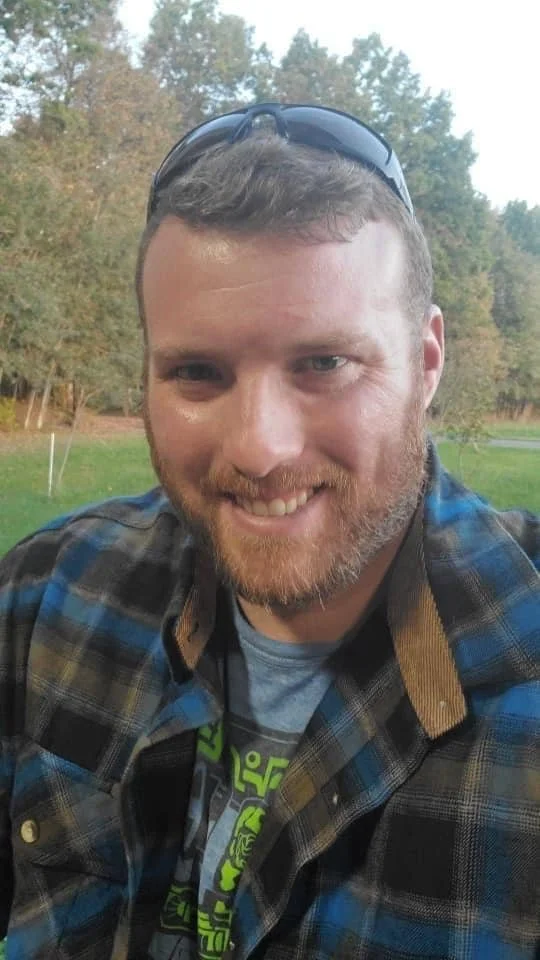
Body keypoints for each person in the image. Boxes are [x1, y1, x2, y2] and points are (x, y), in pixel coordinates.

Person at [0, 103, 538, 960]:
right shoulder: (43, 601)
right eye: (197, 372)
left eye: (324, 363)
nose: (259, 448)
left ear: (426, 361)